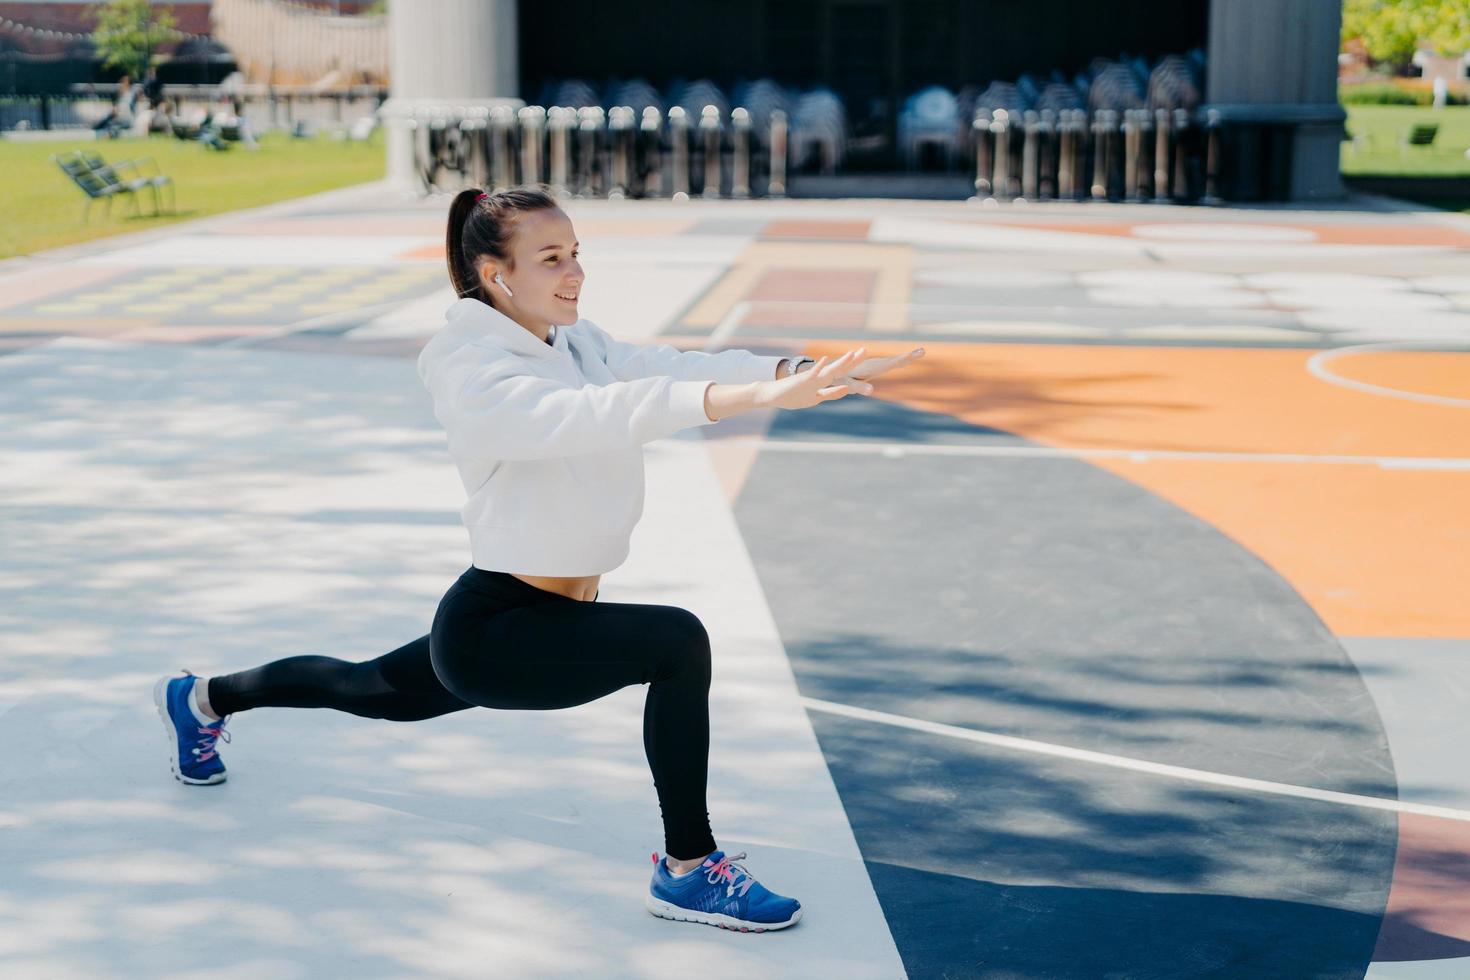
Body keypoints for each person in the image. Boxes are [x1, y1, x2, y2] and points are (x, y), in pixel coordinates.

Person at [151, 184, 925, 932]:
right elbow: (591, 416)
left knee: (365, 688)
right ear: (497, 274)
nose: (576, 273)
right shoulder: (471, 368)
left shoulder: (572, 340)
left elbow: (663, 367)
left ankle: (202, 698)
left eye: (576, 253)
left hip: (536, 619)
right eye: (551, 258)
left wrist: (791, 375)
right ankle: (689, 870)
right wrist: (748, 402)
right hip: (498, 627)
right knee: (676, 642)